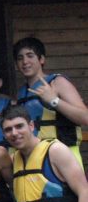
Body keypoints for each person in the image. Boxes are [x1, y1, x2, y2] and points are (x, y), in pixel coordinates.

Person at [13, 36, 88, 164]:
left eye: (30, 56)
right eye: (20, 58)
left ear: (41, 59)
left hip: (65, 156)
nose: (25, 61)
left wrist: (54, 100)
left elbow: (85, 117)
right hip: (36, 159)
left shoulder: (58, 83)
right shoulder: (22, 94)